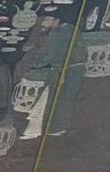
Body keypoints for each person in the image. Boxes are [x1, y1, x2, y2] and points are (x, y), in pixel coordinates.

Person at [15, 12, 87, 142]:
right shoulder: (71, 28)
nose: (44, 23)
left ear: (56, 19)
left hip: (63, 70)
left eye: (46, 19)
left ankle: (49, 128)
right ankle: (54, 128)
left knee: (53, 99)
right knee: (64, 99)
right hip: (78, 68)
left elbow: (46, 56)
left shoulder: (56, 33)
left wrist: (29, 64)